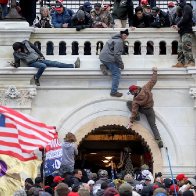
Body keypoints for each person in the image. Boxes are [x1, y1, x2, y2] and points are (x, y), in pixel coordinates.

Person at [11, 40, 80, 86]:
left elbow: (35, 48)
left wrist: (42, 56)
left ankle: (73, 65)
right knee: (43, 66)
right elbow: (17, 63)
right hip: (32, 63)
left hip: (39, 59)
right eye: (16, 50)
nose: (18, 51)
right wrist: (14, 65)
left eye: (18, 49)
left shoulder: (26, 43)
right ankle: (36, 78)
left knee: (55, 63)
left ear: (20, 46)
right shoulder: (16, 54)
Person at [127, 67, 163, 148]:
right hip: (150, 110)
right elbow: (153, 81)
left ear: (135, 90)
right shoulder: (146, 88)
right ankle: (159, 140)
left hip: (143, 110)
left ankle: (137, 118)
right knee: (153, 125)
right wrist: (155, 71)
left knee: (129, 103)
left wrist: (131, 121)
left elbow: (134, 111)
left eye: (131, 92)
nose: (132, 94)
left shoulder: (136, 100)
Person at [99, 29, 129, 97]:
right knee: (117, 73)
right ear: (121, 34)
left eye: (126, 35)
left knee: (114, 65)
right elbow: (117, 55)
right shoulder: (119, 41)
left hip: (103, 57)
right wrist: (121, 64)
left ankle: (104, 66)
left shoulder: (114, 38)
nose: (125, 37)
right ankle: (113, 92)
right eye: (124, 35)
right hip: (108, 58)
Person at [172, 0, 195, 67]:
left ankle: (191, 62)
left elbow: (186, 18)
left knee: (186, 47)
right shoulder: (182, 9)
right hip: (182, 32)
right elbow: (182, 20)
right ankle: (181, 62)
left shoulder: (187, 7)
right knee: (180, 48)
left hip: (187, 31)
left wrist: (178, 25)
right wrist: (177, 26)